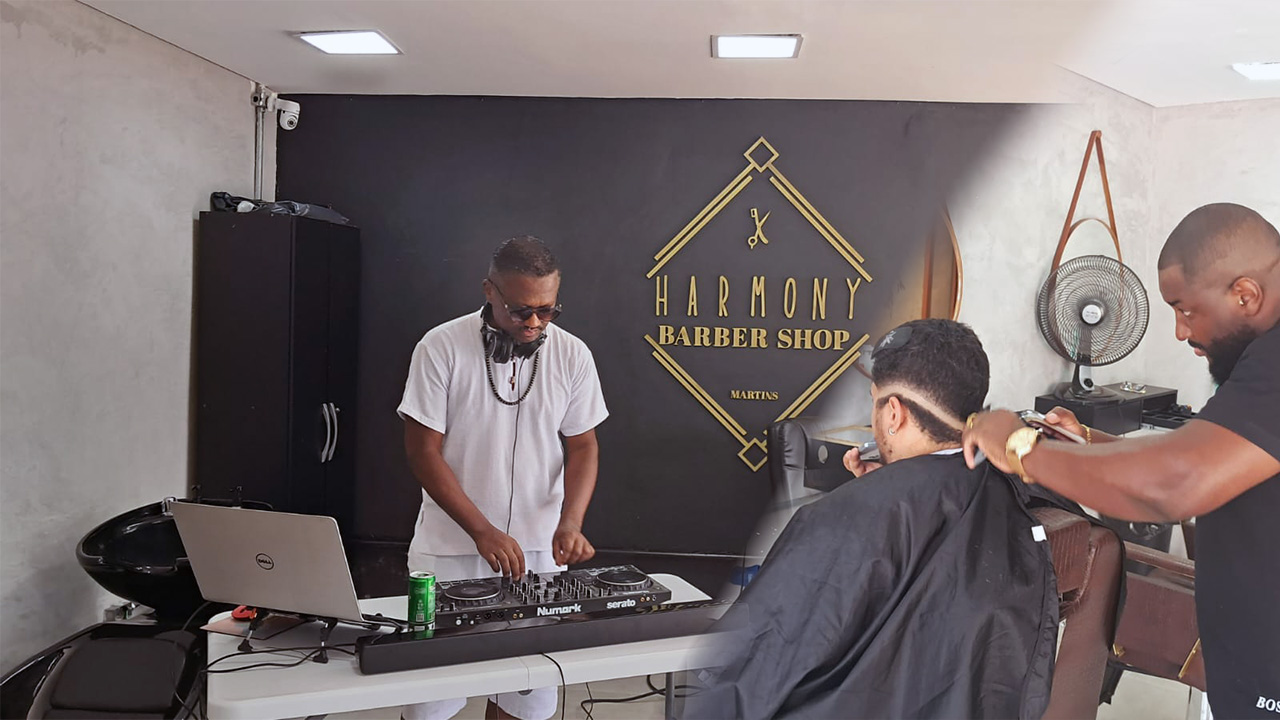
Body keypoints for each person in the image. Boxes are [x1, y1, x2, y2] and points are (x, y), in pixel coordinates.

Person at [963, 203, 1280, 719]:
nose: (1180, 332)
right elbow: (1209, 456)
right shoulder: (1261, 363)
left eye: (1185, 309)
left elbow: (1176, 482)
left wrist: (1021, 448)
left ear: (1246, 295)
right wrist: (1083, 441)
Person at [688, 319, 1073, 719]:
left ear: (893, 413)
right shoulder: (1021, 488)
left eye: (874, 403)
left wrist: (875, 500)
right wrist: (887, 492)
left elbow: (748, 670)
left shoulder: (842, 518)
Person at [397, 236, 608, 720]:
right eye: (519, 310)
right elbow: (422, 451)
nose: (534, 323)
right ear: (488, 291)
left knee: (524, 702)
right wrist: (481, 530)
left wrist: (570, 523)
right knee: (429, 703)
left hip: (537, 557)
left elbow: (584, 445)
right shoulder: (440, 347)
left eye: (547, 310)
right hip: (448, 552)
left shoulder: (574, 355)